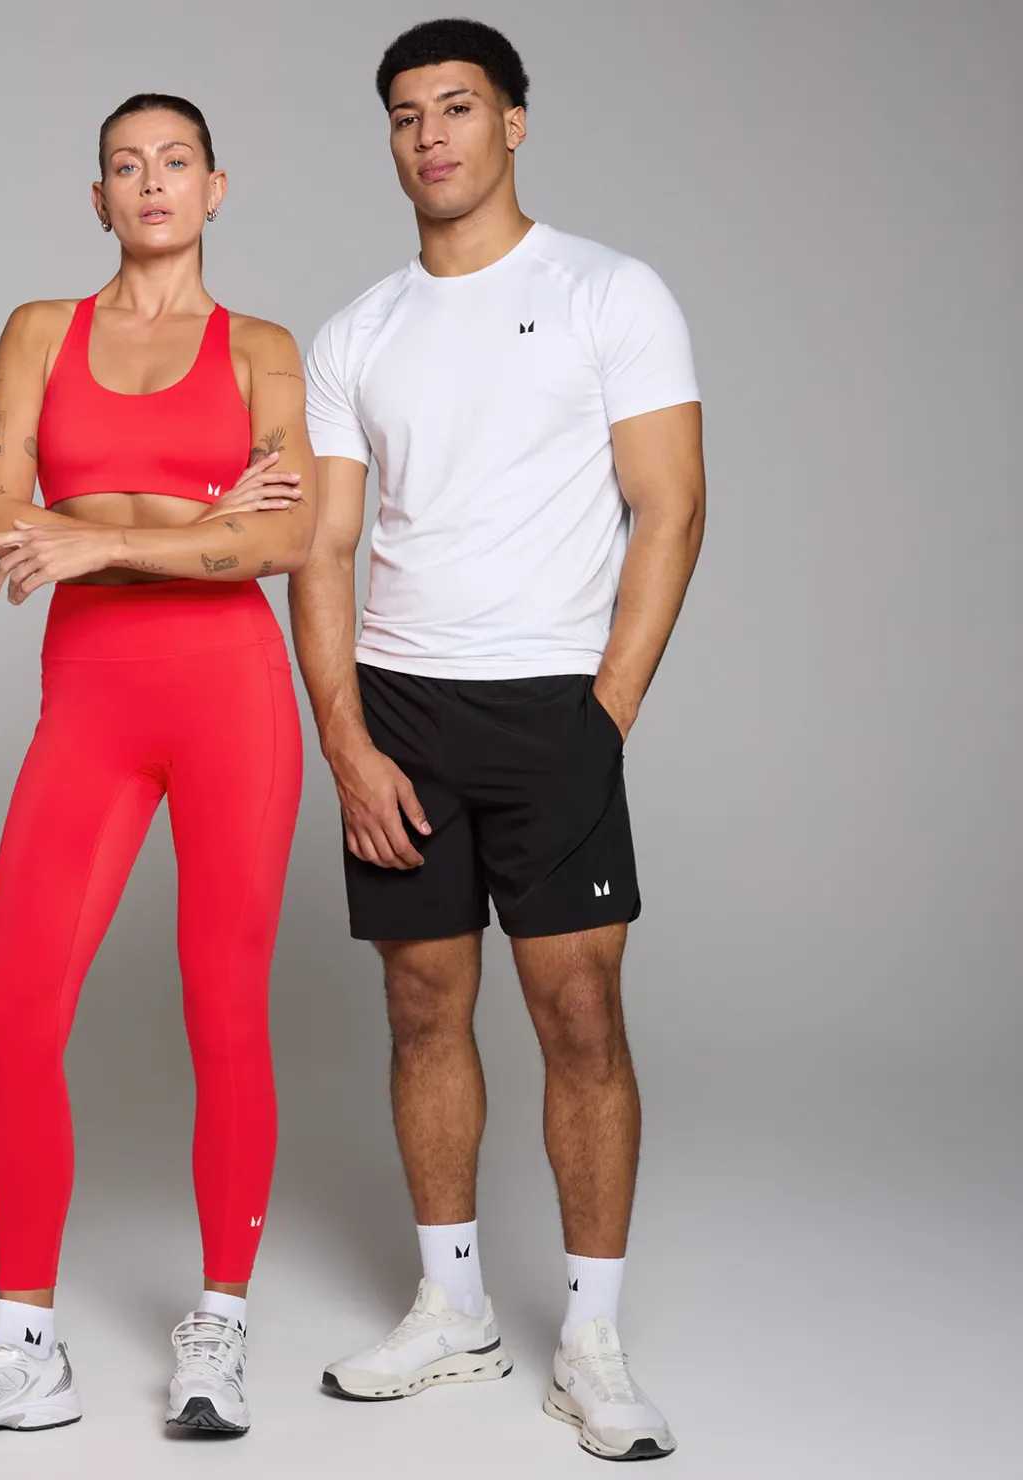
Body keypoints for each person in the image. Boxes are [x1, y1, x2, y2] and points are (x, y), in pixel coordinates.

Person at [291, 19, 704, 1462]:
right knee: (420, 1010)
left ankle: (592, 1338)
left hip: (553, 707)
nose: (432, 137)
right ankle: (453, 1307)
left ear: (513, 122)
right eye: (407, 115)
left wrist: (608, 713)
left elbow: (672, 505)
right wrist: (345, 741)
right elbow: (324, 548)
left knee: (580, 1017)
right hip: (399, 708)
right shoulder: (356, 332)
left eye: (458, 108)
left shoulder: (609, 291)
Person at [0, 92, 315, 1447]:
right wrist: (196, 520)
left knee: (222, 1004)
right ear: (98, 197)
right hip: (91, 697)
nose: (152, 182)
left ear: (216, 187)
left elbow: (282, 545)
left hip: (231, 696)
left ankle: (220, 1323)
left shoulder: (262, 349)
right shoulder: (38, 332)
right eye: (126, 165)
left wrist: (97, 537)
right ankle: (25, 1344)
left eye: (176, 162)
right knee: (14, 1005)